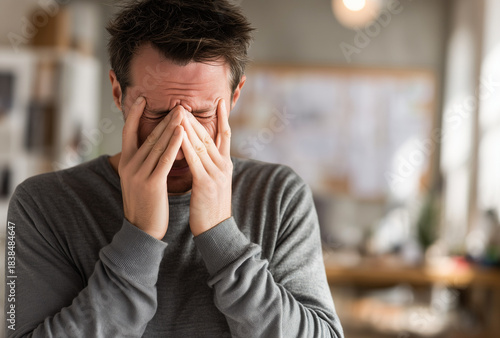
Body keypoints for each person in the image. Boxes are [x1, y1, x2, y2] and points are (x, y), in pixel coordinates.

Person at [4, 0, 344, 337]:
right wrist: (138, 238)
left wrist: (220, 233)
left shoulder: (280, 195)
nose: (180, 139)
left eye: (202, 115)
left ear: (235, 97)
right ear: (118, 92)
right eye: (157, 114)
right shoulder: (42, 204)